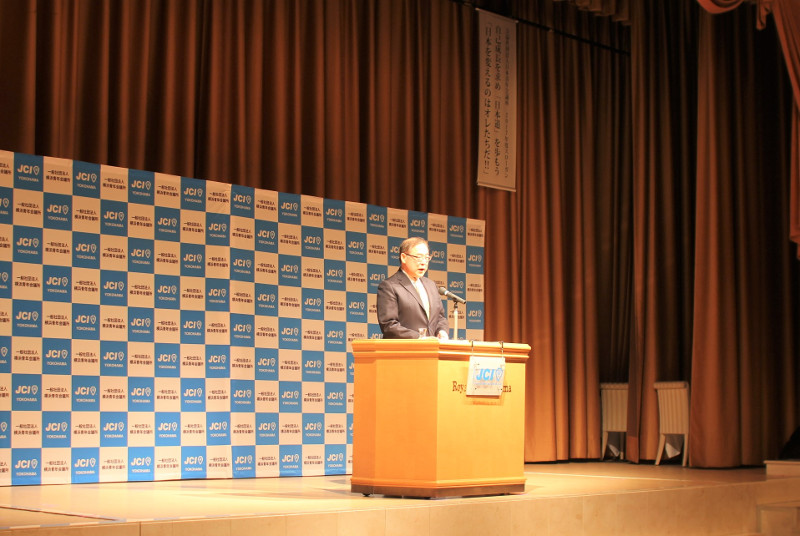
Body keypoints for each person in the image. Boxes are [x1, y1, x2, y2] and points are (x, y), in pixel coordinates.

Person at [377, 237, 450, 339]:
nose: (423, 262)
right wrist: (420, 338)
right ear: (404, 257)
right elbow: (389, 325)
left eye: (426, 257)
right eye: (418, 257)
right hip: (405, 348)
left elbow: (440, 317)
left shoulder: (431, 285)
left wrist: (442, 331)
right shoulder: (389, 286)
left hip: (432, 347)